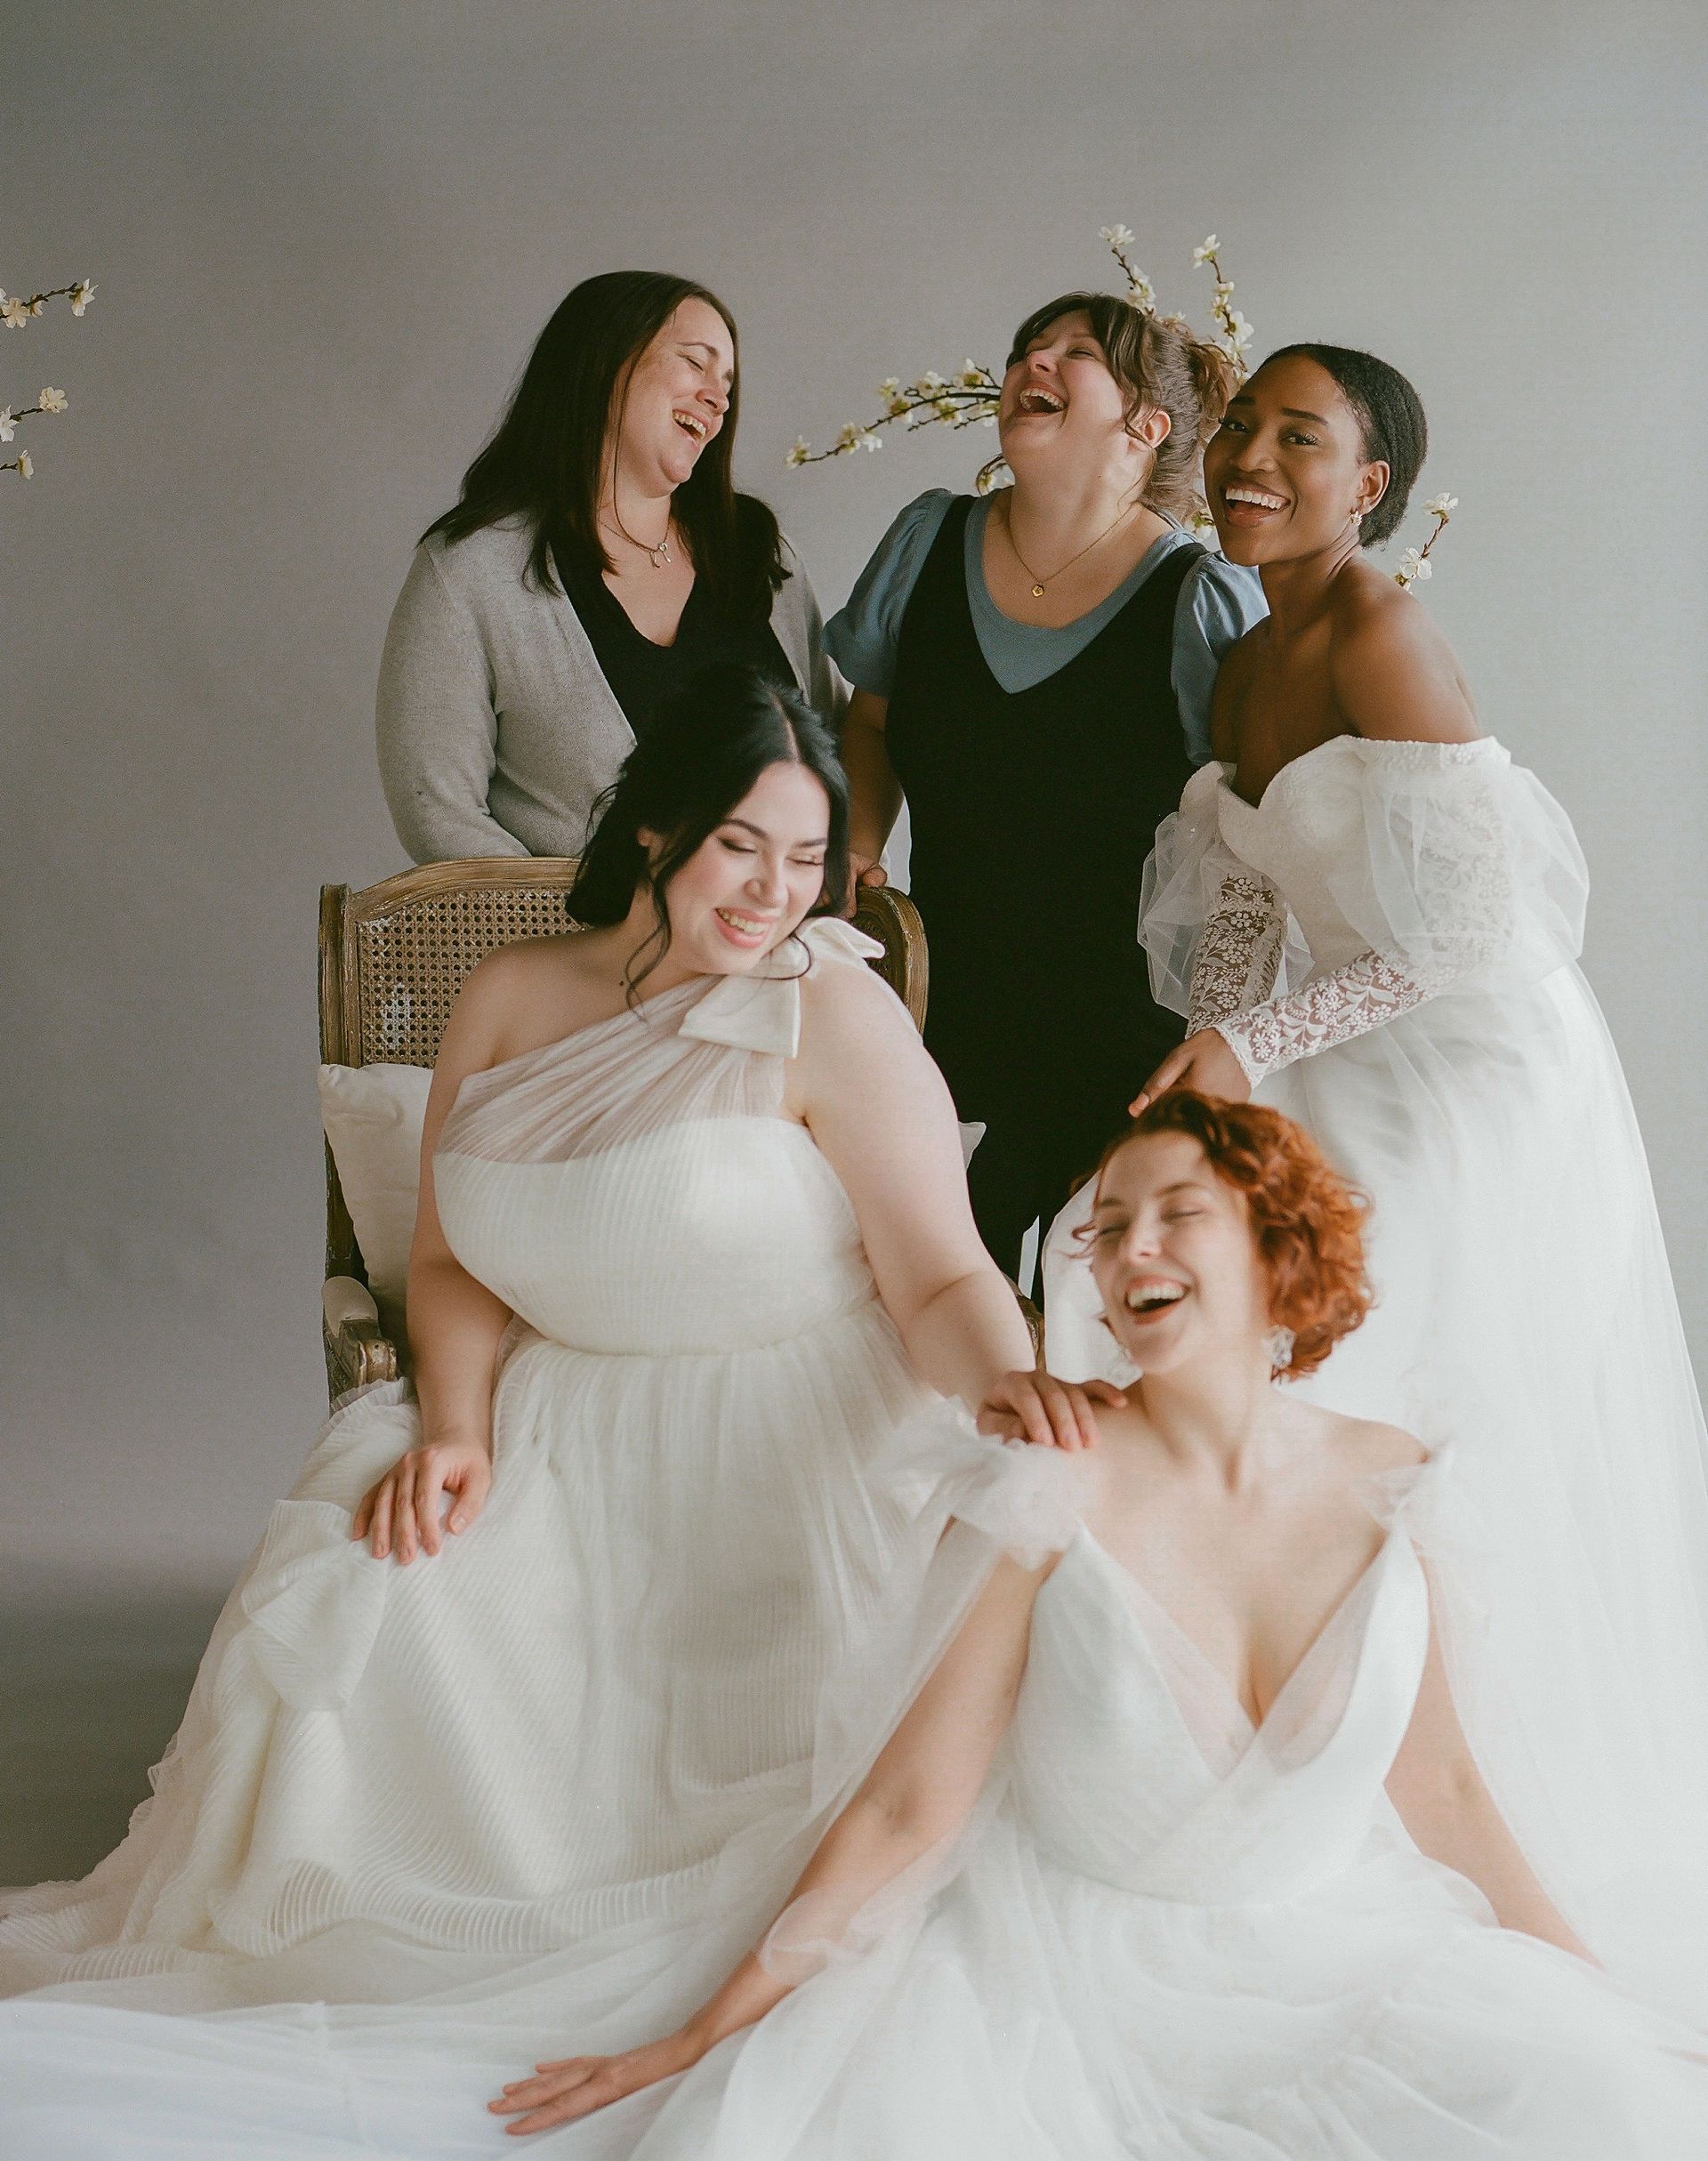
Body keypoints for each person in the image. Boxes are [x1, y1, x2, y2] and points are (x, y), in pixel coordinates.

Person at [7, 1097, 1704, 2161]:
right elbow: (910, 1808)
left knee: (1588, 2143)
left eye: (1172, 1210)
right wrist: (698, 2037)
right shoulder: (1047, 1483)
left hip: (1329, 1965)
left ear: (1279, 1239)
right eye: (1102, 1226)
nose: (1126, 1250)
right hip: (1069, 2000)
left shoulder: (1400, 1480)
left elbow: (1446, 1793)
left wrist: (1597, 1998)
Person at [0, 665, 1036, 2009]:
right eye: (740, 845)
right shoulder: (508, 993)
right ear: (658, 824)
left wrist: (1011, 1391)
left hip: (788, 1438)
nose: (773, 893)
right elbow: (446, 1258)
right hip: (552, 1421)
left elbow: (943, 1277)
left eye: (803, 859)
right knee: (373, 1589)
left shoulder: (832, 1012)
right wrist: (456, 1429)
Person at [1044, 342, 1708, 2005]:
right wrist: (1203, 1068)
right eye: (1242, 427)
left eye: (1301, 437)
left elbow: (1471, 934)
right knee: (1164, 1249)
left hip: (1474, 1060)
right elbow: (1249, 907)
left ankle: (1445, 1795)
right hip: (1332, 1032)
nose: (1253, 459)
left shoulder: (1380, 634)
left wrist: (1257, 1046)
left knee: (1368, 1344)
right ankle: (1223, 1742)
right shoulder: (1245, 653)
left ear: (1372, 486)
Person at [825, 287, 1265, 1276]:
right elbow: (871, 720)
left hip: (1128, 1046)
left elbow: (1253, 843)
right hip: (938, 1016)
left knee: (1087, 1316)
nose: (1035, 360)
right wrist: (854, 843)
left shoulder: (1200, 602)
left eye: (1077, 353)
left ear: (1146, 426)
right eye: (1031, 345)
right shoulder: (926, 541)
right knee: (922, 1299)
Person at [377, 270, 843, 861]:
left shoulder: (761, 557)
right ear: (603, 364)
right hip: (569, 923)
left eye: (728, 383)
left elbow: (835, 756)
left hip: (785, 923)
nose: (719, 399)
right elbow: (438, 812)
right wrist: (596, 918)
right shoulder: (470, 571)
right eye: (695, 363)